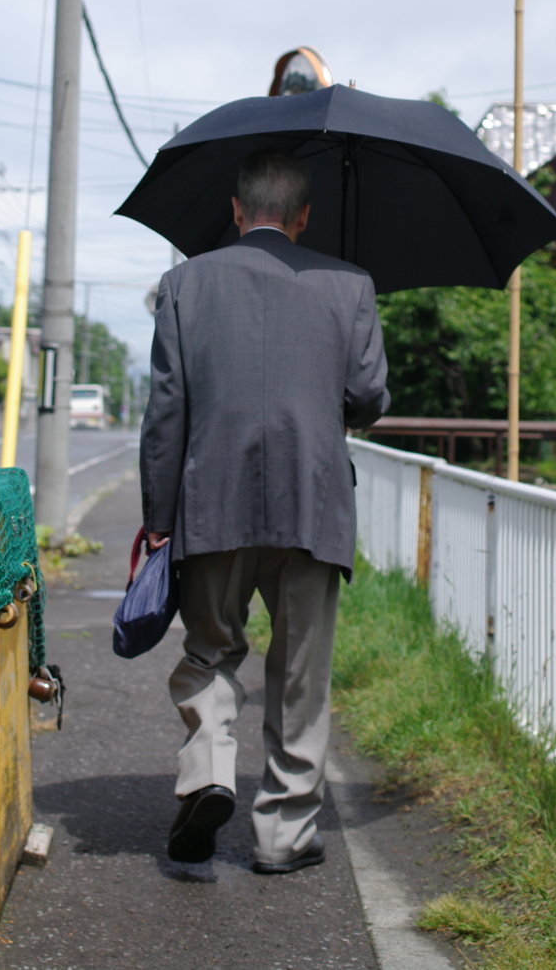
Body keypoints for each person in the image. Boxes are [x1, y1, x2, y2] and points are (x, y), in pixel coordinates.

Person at [140, 147, 390, 873]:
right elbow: (371, 399)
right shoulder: (348, 284)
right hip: (312, 503)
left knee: (210, 649)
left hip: (209, 502)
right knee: (301, 674)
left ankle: (208, 772)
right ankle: (284, 832)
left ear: (237, 211)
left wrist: (160, 516)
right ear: (305, 215)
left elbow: (166, 412)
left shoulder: (183, 282)